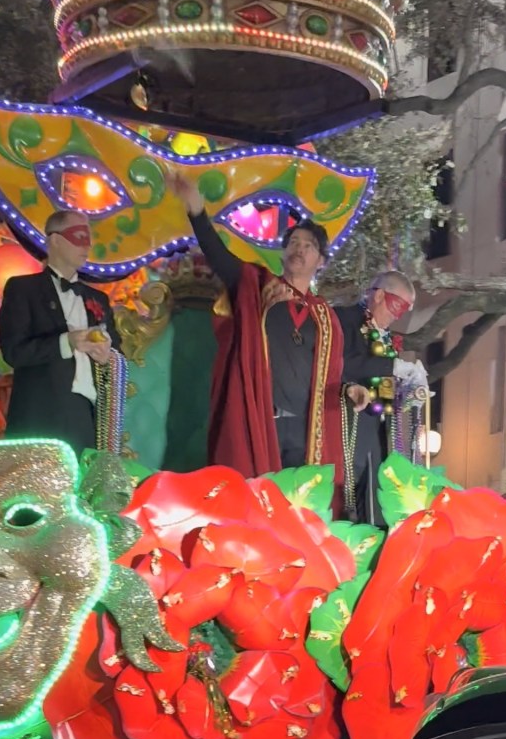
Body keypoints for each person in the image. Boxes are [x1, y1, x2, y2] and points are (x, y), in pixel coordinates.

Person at [167, 172, 370, 504]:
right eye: (293, 243)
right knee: (256, 508)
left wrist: (349, 389)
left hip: (306, 432)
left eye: (308, 246)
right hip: (262, 424)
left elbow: (329, 376)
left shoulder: (326, 318)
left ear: (321, 261)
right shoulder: (258, 286)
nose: (299, 249)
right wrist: (197, 211)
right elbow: (219, 256)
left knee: (300, 512)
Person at [0, 210, 121, 457]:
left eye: (88, 238)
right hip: (41, 414)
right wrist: (67, 343)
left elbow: (118, 352)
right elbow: (14, 352)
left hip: (87, 415)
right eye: (78, 236)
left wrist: (107, 357)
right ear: (54, 240)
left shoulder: (97, 298)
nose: (86, 245)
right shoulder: (24, 289)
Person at [336, 271, 428, 525]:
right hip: (348, 426)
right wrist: (392, 366)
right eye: (396, 307)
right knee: (345, 502)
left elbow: (386, 387)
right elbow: (342, 364)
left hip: (378, 433)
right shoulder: (344, 319)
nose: (397, 316)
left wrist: (410, 391)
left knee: (374, 507)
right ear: (378, 296)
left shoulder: (385, 336)